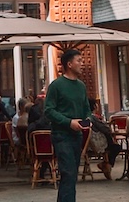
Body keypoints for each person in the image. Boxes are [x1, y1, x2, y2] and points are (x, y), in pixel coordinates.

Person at [44, 49, 91, 202]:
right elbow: (49, 110)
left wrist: (87, 121)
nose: (82, 64)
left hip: (77, 135)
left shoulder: (81, 86)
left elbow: (86, 109)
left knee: (71, 176)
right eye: (79, 60)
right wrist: (68, 122)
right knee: (68, 173)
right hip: (61, 135)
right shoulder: (56, 85)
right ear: (69, 64)